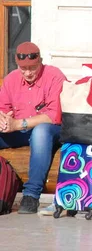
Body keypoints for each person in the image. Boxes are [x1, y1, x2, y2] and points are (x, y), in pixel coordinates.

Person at [0, 41, 67, 214]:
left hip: (51, 130)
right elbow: (3, 108)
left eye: (33, 68)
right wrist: (3, 120)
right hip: (19, 130)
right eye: (24, 69)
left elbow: (54, 115)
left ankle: (31, 195)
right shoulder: (11, 79)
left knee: (41, 131)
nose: (28, 73)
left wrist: (19, 123)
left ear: (41, 61)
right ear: (17, 65)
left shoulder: (54, 76)